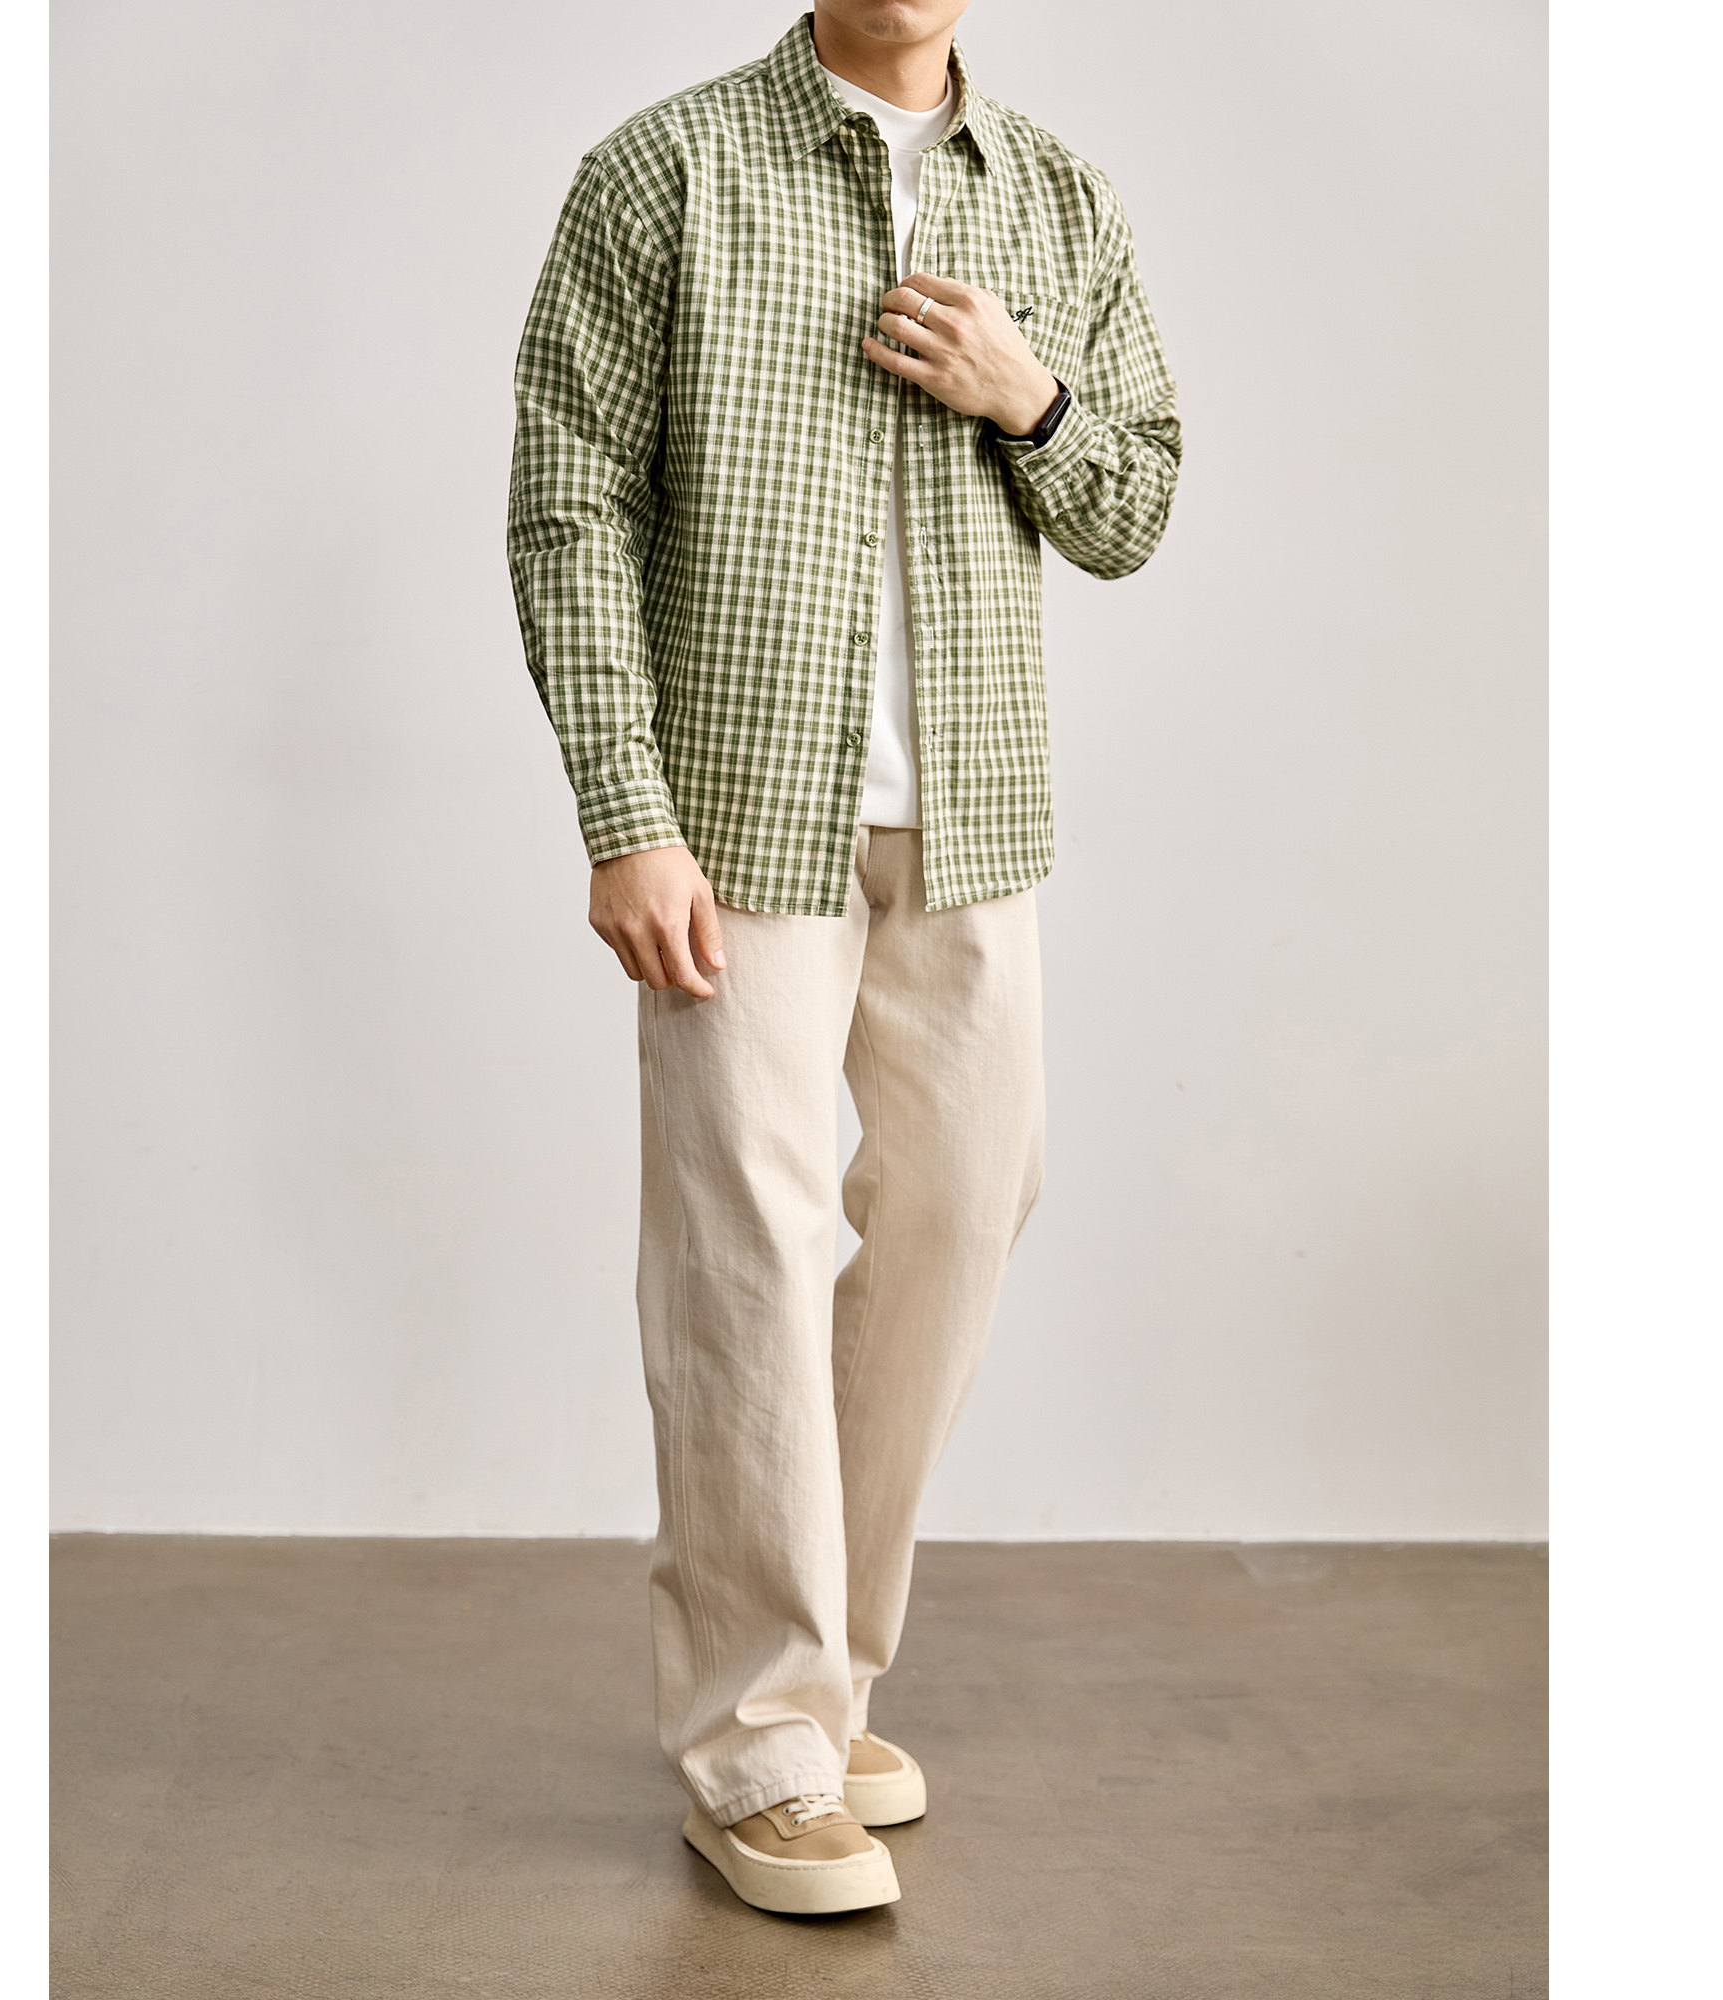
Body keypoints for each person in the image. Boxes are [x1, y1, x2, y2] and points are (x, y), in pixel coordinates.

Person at [506, 1, 1178, 1915]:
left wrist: (1031, 400)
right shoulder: (667, 170)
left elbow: (1136, 504)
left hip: (970, 814)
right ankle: (759, 1738)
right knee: (747, 1251)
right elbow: (571, 504)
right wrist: (624, 810)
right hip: (737, 822)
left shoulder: (1058, 200)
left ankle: (827, 1678)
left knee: (967, 1209)